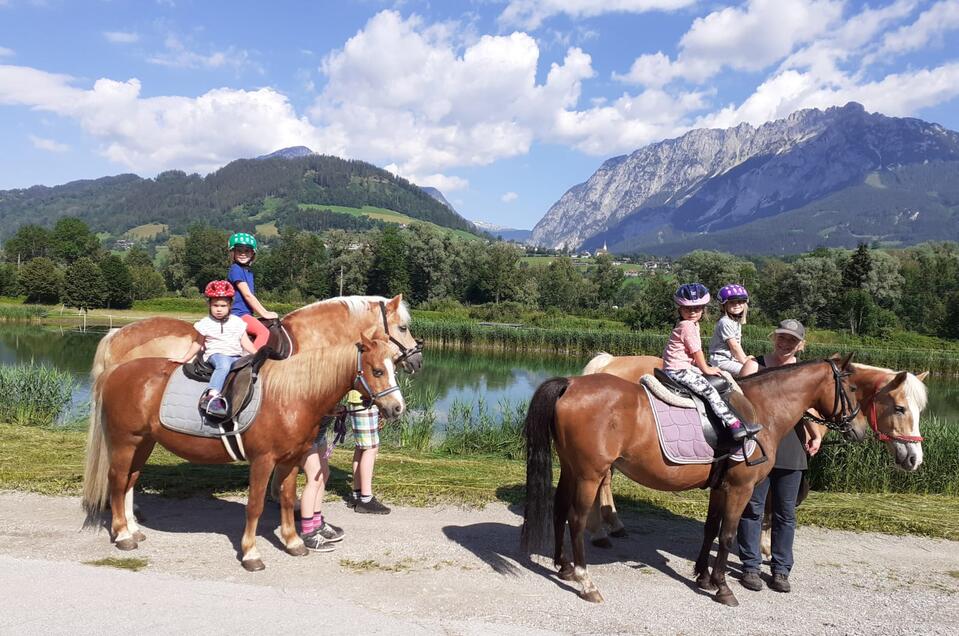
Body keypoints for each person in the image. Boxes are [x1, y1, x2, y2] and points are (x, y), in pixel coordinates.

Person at [737, 318, 823, 594]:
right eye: (782, 338)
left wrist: (816, 433)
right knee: (752, 508)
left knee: (786, 512)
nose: (785, 343)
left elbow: (808, 409)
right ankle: (749, 566)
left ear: (801, 345)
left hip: (791, 447)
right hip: (758, 445)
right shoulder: (754, 364)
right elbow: (737, 400)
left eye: (792, 340)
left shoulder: (803, 372)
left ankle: (781, 570)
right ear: (774, 338)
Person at [662, 283, 757, 441]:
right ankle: (734, 426)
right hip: (679, 369)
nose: (693, 312)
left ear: (703, 309)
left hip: (681, 367)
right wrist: (706, 369)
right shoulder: (687, 326)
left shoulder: (690, 324)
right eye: (687, 308)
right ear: (679, 309)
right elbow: (696, 351)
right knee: (710, 392)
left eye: (697, 308)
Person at [170, 280, 256, 417]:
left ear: (230, 306)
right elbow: (198, 343)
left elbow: (245, 342)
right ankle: (211, 395)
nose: (219, 309)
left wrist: (257, 354)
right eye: (215, 305)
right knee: (224, 365)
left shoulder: (237, 322)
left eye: (223, 305)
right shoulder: (205, 323)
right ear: (209, 305)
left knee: (248, 367)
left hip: (236, 355)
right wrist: (185, 358)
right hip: (216, 354)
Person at [299, 415, 346, 552]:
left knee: (324, 473)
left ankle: (316, 522)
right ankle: (307, 532)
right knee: (314, 477)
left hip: (320, 432)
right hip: (306, 434)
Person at [226, 232, 277, 351]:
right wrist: (264, 313)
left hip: (245, 314)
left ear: (252, 253)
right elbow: (248, 295)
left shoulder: (248, 271)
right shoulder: (236, 270)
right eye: (239, 251)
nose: (243, 254)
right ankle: (251, 362)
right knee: (263, 332)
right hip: (238, 314)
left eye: (247, 251)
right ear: (233, 253)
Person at [345, 390, 390, 514]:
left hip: (359, 400)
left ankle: (357, 494)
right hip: (366, 400)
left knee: (361, 448)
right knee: (371, 448)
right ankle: (366, 499)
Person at [708, 284, 759, 377]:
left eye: (740, 302)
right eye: (732, 302)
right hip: (721, 360)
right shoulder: (725, 322)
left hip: (730, 359)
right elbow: (734, 346)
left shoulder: (735, 322)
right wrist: (745, 361)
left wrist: (746, 358)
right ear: (724, 305)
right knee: (750, 372)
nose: (737, 305)